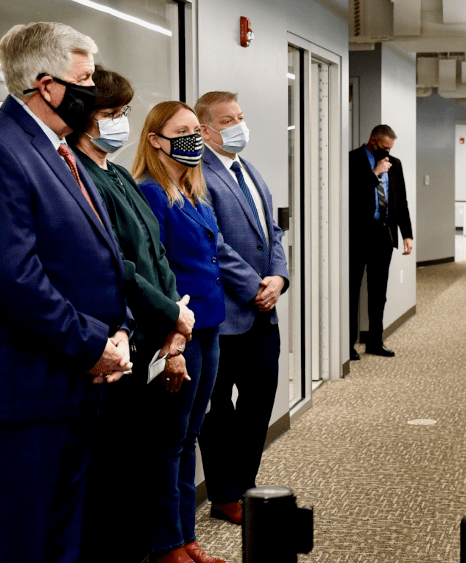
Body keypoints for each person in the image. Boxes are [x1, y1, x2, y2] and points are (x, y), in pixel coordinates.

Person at [0, 22, 131, 562]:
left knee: (59, 545)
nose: (95, 92)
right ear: (47, 86)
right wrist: (96, 344)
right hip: (17, 399)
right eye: (86, 79)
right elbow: (10, 279)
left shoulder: (59, 150)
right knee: (17, 548)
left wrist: (117, 332)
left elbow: (98, 259)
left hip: (68, 389)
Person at [69, 66, 196, 563]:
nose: (118, 122)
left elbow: (155, 254)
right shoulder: (76, 175)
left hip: (154, 334)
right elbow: (118, 264)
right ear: (83, 118)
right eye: (109, 114)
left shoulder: (117, 173)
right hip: (117, 342)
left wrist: (173, 323)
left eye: (123, 112)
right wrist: (170, 314)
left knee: (142, 463)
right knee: (113, 478)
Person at [134, 101, 228, 563]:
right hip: (177, 333)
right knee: (168, 441)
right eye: (183, 130)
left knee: (189, 436)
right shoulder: (150, 192)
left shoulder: (191, 189)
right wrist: (171, 340)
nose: (195, 138)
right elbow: (153, 272)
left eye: (197, 129)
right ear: (155, 139)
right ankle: (167, 545)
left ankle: (187, 539)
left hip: (209, 325)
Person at [195, 91, 289, 525]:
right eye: (228, 120)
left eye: (241, 117)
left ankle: (245, 484)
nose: (238, 126)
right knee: (218, 412)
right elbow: (213, 243)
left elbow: (271, 232)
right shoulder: (198, 174)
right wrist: (254, 286)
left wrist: (279, 278)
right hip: (225, 316)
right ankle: (225, 493)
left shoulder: (248, 170)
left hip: (262, 315)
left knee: (258, 404)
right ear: (206, 130)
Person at [348, 125, 413, 359]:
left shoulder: (394, 164)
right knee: (352, 290)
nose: (387, 152)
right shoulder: (351, 160)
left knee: (379, 292)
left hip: (383, 234)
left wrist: (407, 234)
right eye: (384, 147)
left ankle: (375, 341)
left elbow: (400, 200)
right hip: (357, 235)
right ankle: (348, 345)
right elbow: (351, 195)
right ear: (372, 140)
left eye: (390, 148)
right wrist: (374, 173)